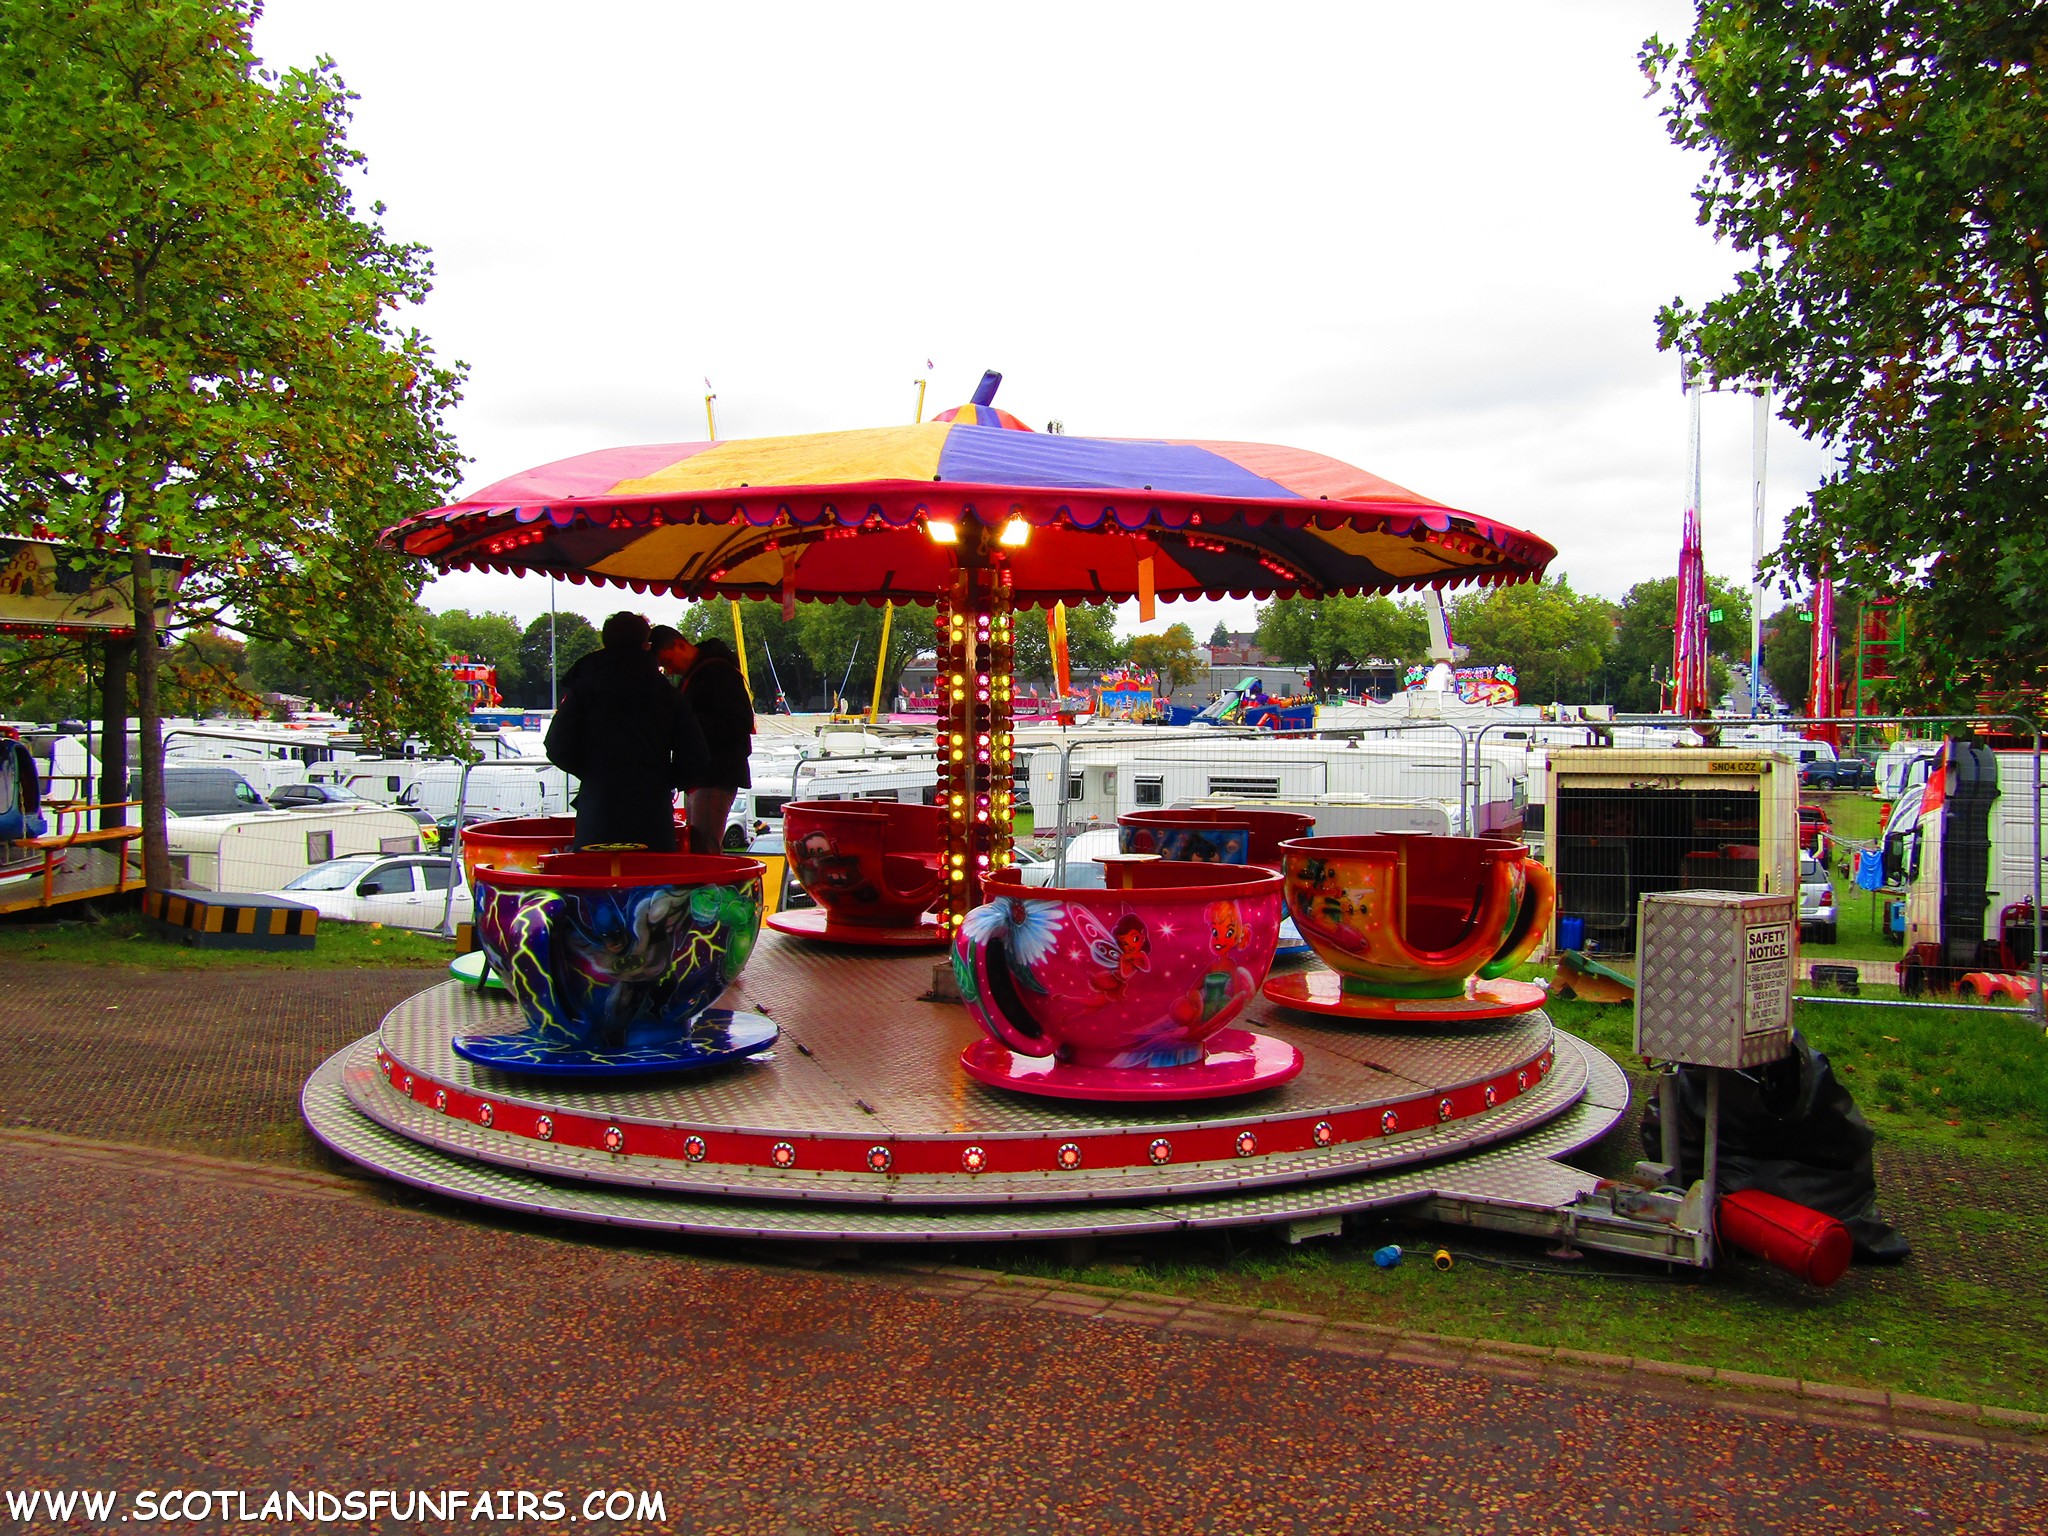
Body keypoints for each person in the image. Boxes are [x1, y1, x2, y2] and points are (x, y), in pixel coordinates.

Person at [546, 612, 705, 851]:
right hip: (651, 815)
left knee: (595, 884)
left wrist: (593, 773)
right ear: (645, 645)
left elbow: (556, 746)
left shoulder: (584, 687)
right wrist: (662, 778)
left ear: (605, 642)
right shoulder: (665, 693)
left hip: (597, 813)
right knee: (651, 886)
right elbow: (697, 757)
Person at [651, 625, 755, 854]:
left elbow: (739, 722)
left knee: (704, 849)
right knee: (700, 844)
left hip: (714, 773)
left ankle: (709, 889)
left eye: (667, 662)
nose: (668, 670)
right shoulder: (707, 672)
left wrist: (684, 725)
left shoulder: (716, 673)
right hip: (705, 774)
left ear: (679, 645)